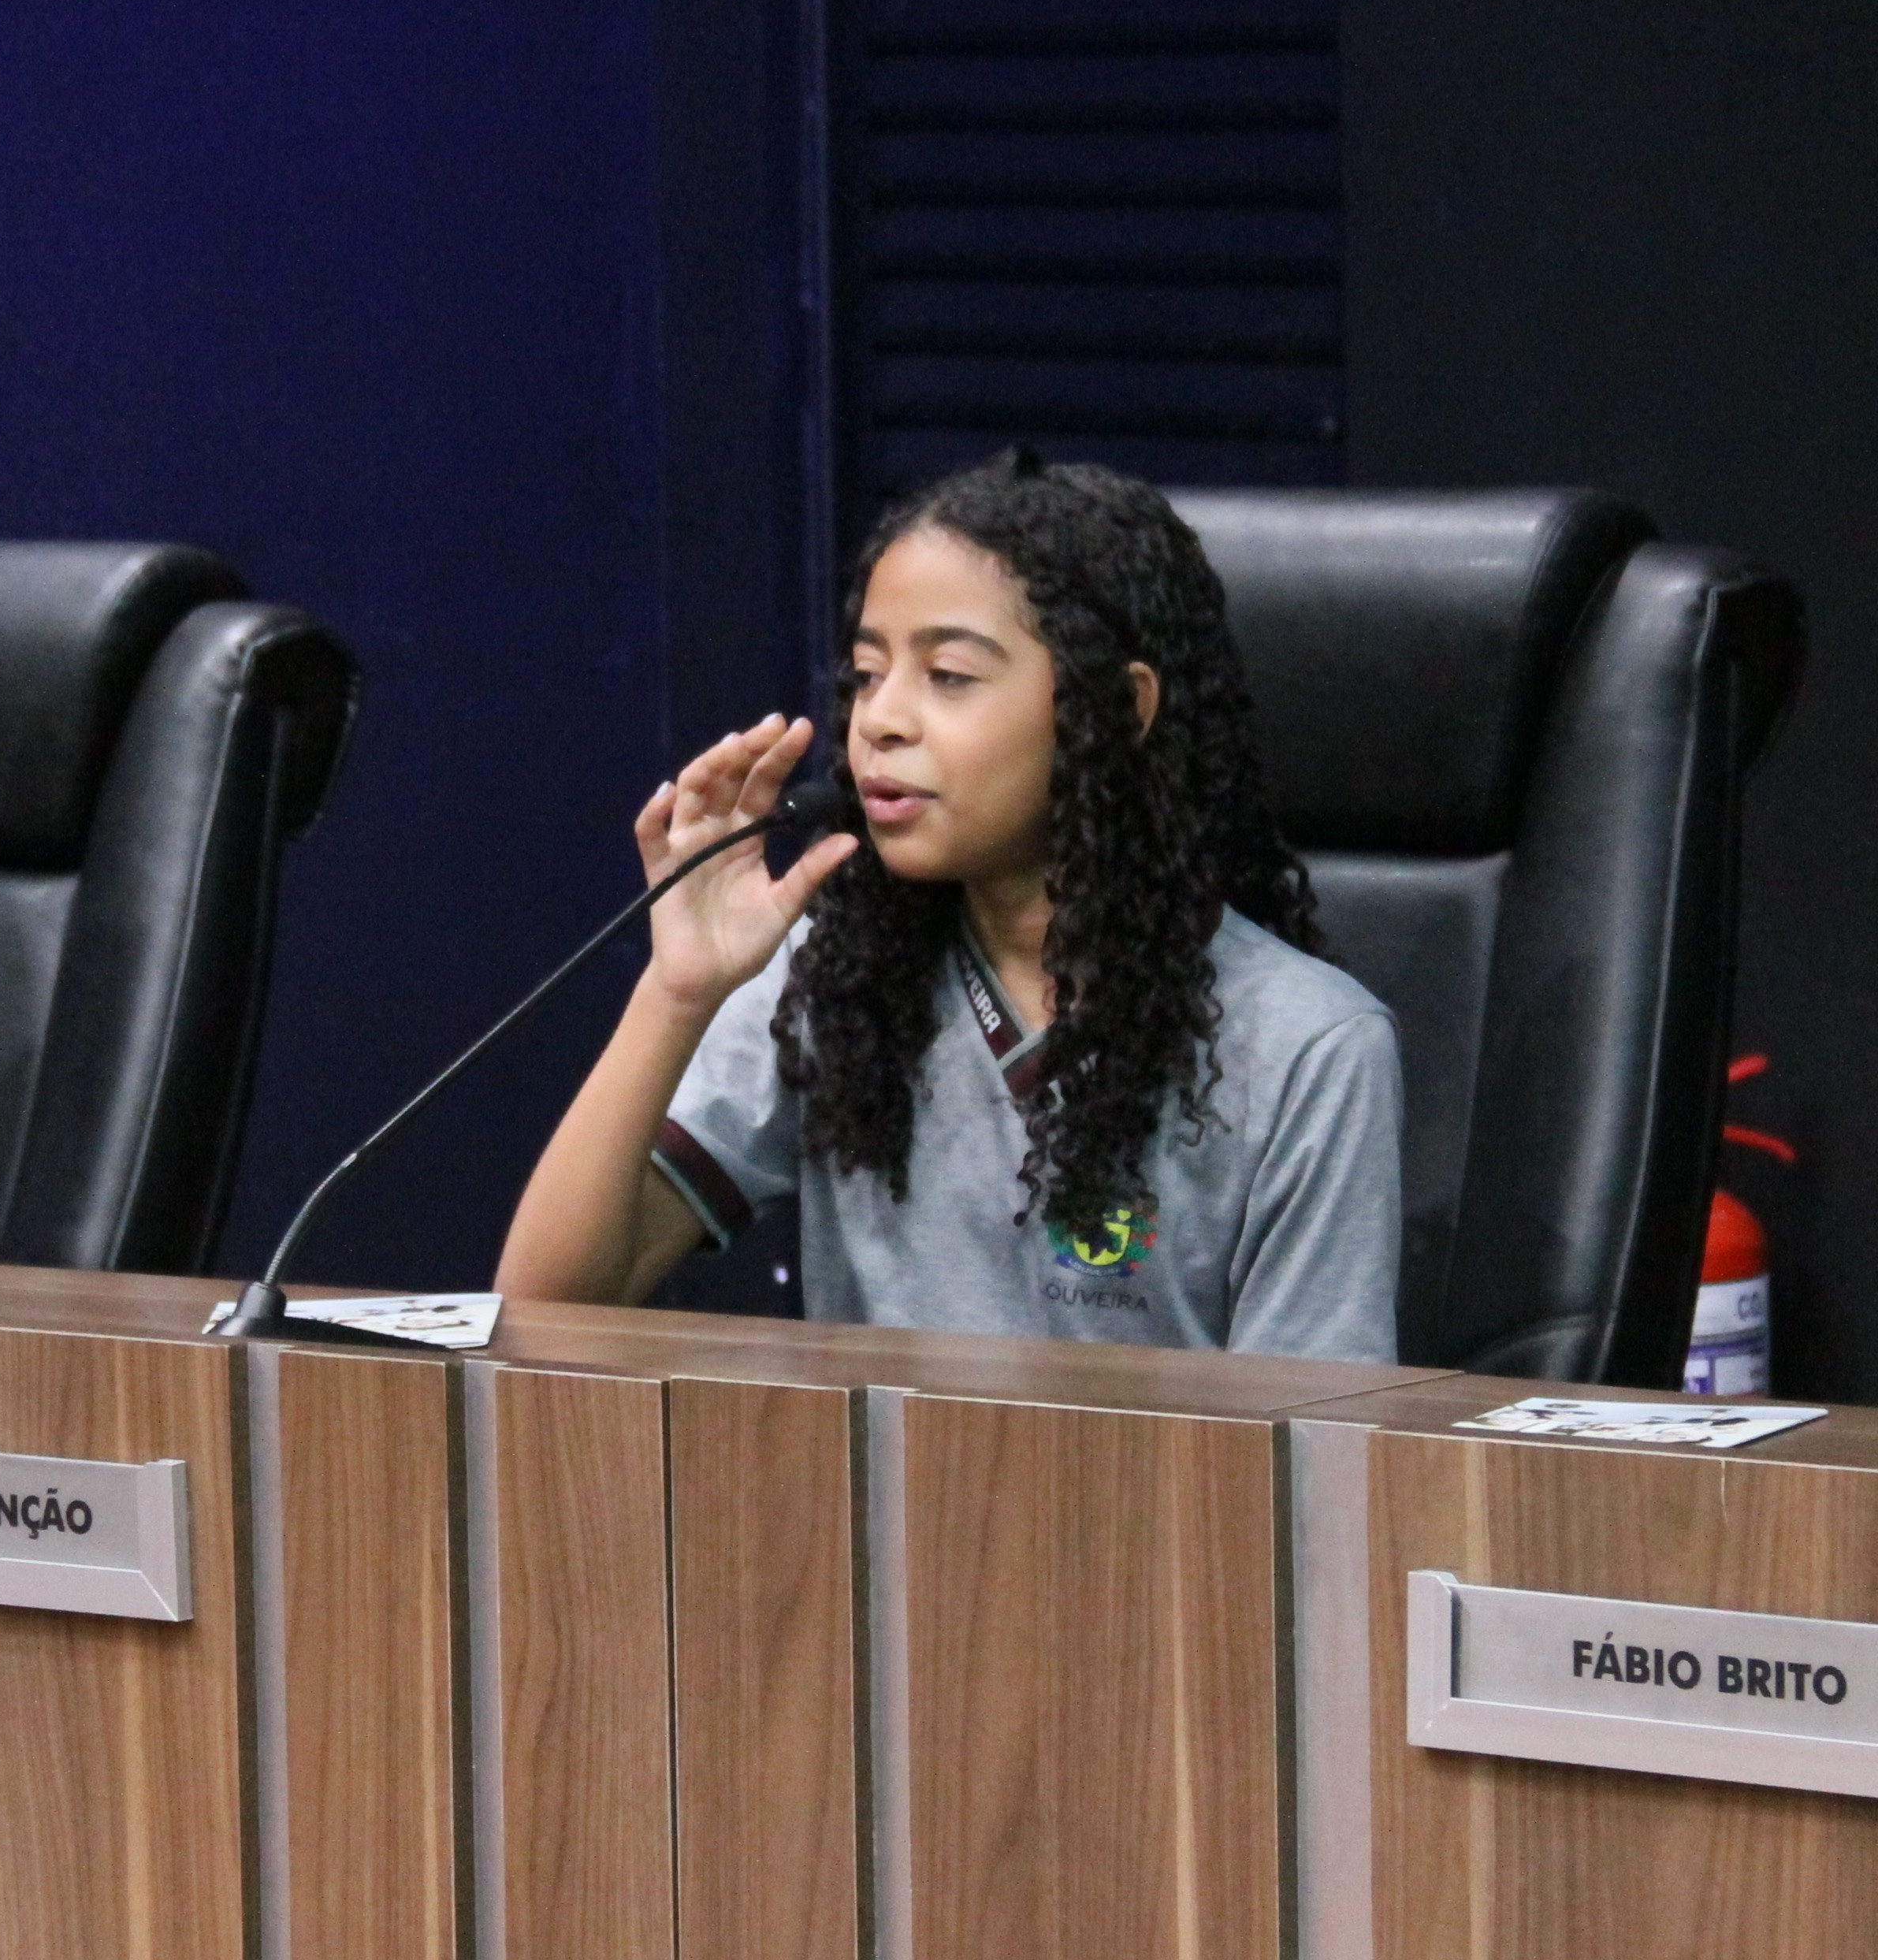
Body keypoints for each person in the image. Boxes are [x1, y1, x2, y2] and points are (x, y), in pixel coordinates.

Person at [497, 449, 1402, 1360]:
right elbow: (539, 1318)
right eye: (866, 673)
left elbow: (1308, 1432)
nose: (880, 720)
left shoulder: (1308, 1047)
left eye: (949, 676)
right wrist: (678, 993)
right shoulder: (834, 974)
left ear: (1118, 708)